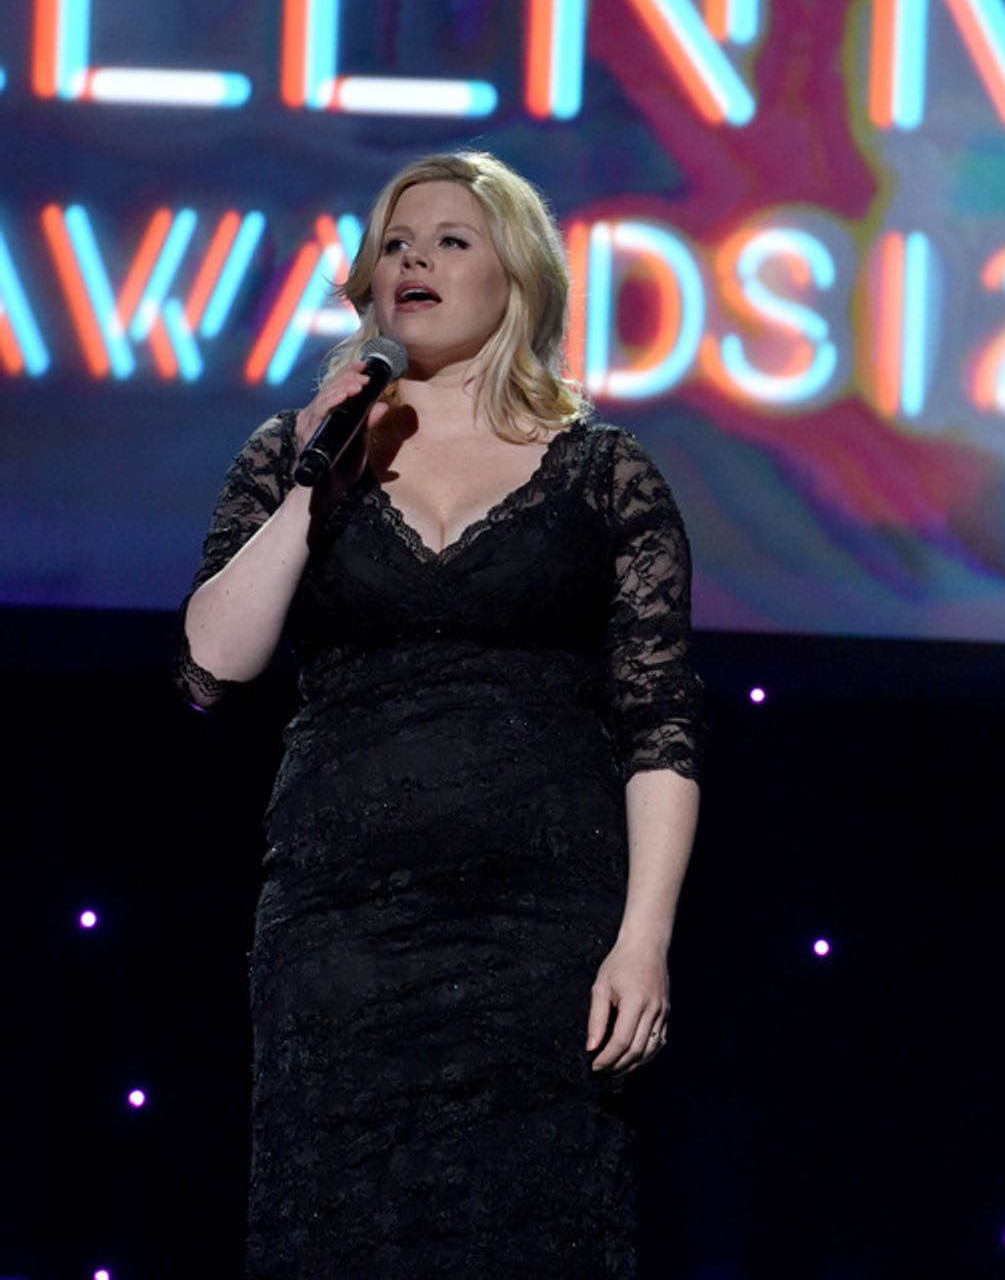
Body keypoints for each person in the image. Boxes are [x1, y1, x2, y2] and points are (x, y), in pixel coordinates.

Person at [176, 149, 703, 1280]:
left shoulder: (604, 474)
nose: (413, 256)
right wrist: (321, 470)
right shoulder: (292, 453)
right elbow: (215, 660)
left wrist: (642, 939)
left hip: (539, 940)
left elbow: (659, 724)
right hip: (341, 937)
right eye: (397, 241)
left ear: (517, 279)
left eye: (451, 239)